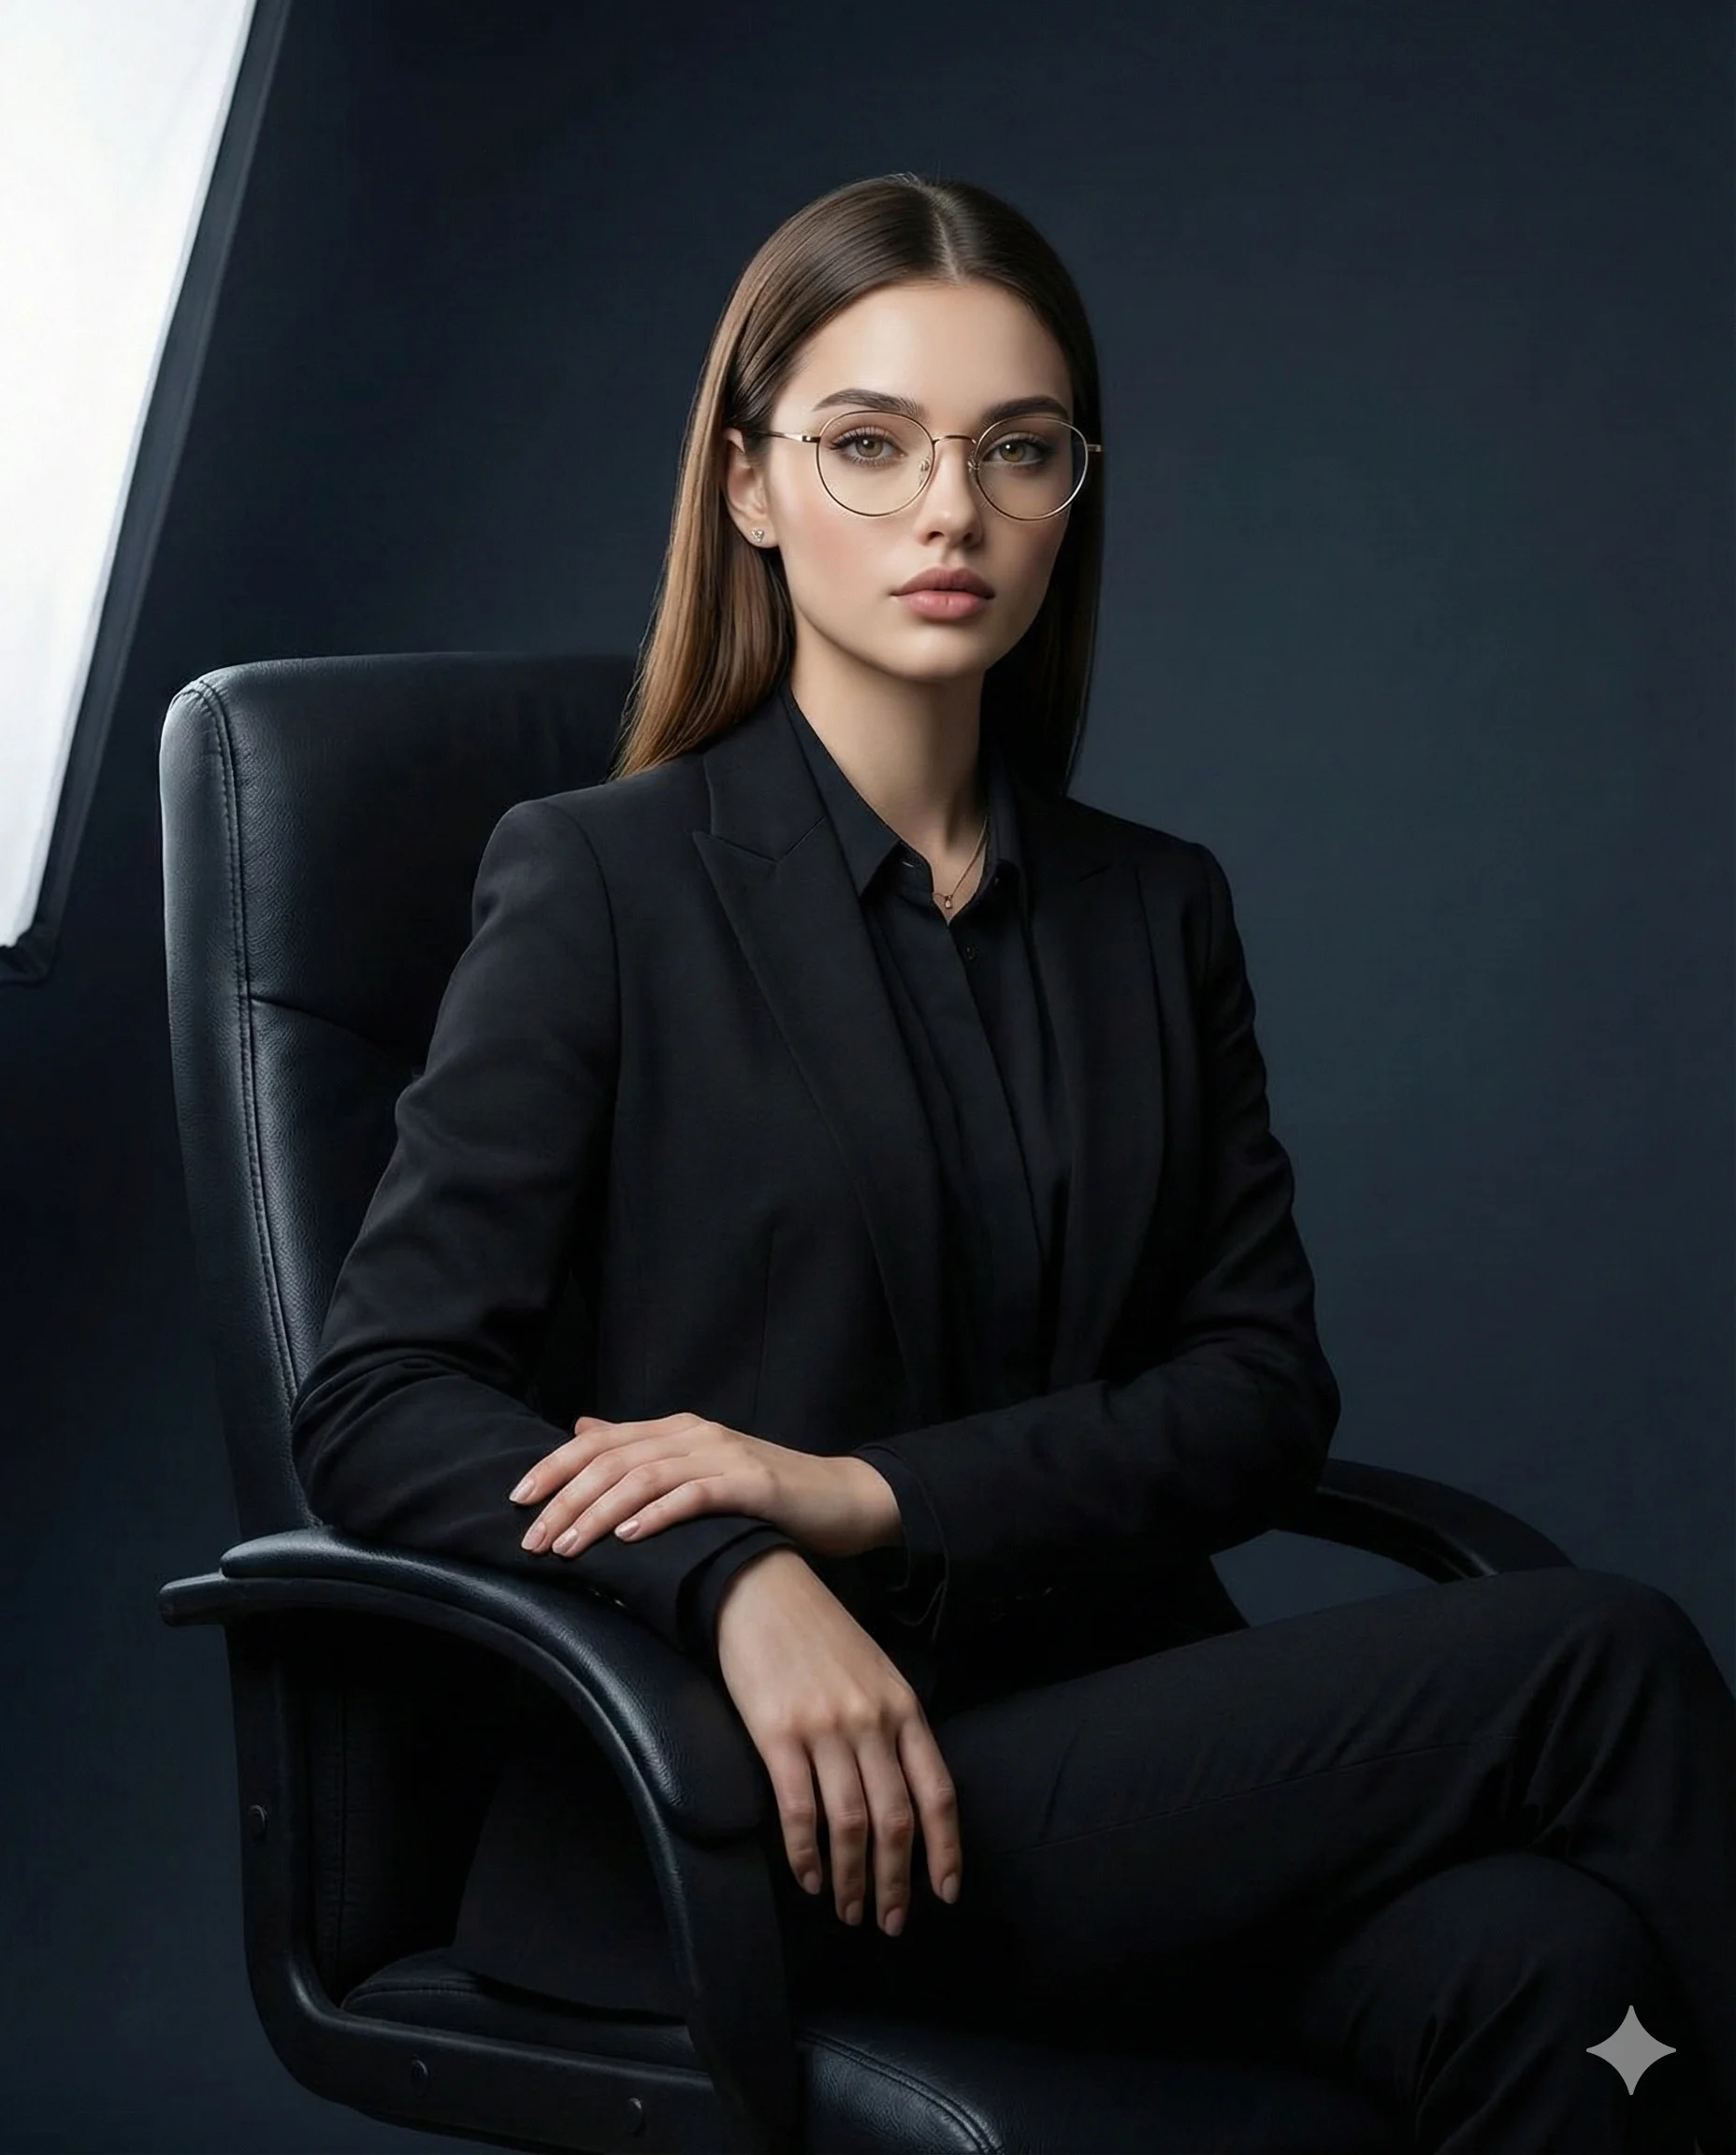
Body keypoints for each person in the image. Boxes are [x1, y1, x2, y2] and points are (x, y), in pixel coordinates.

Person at [289, 173, 1735, 2151]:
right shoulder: (602, 881)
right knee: (1600, 1660)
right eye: (868, 447)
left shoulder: (1155, 912)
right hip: (763, 1813)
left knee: (1563, 1990)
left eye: (1015, 450)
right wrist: (733, 1573)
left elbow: (1254, 1393)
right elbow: (378, 1396)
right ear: (749, 485)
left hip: (1116, 1772)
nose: (948, 512)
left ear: (1074, 490)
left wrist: (860, 1496)